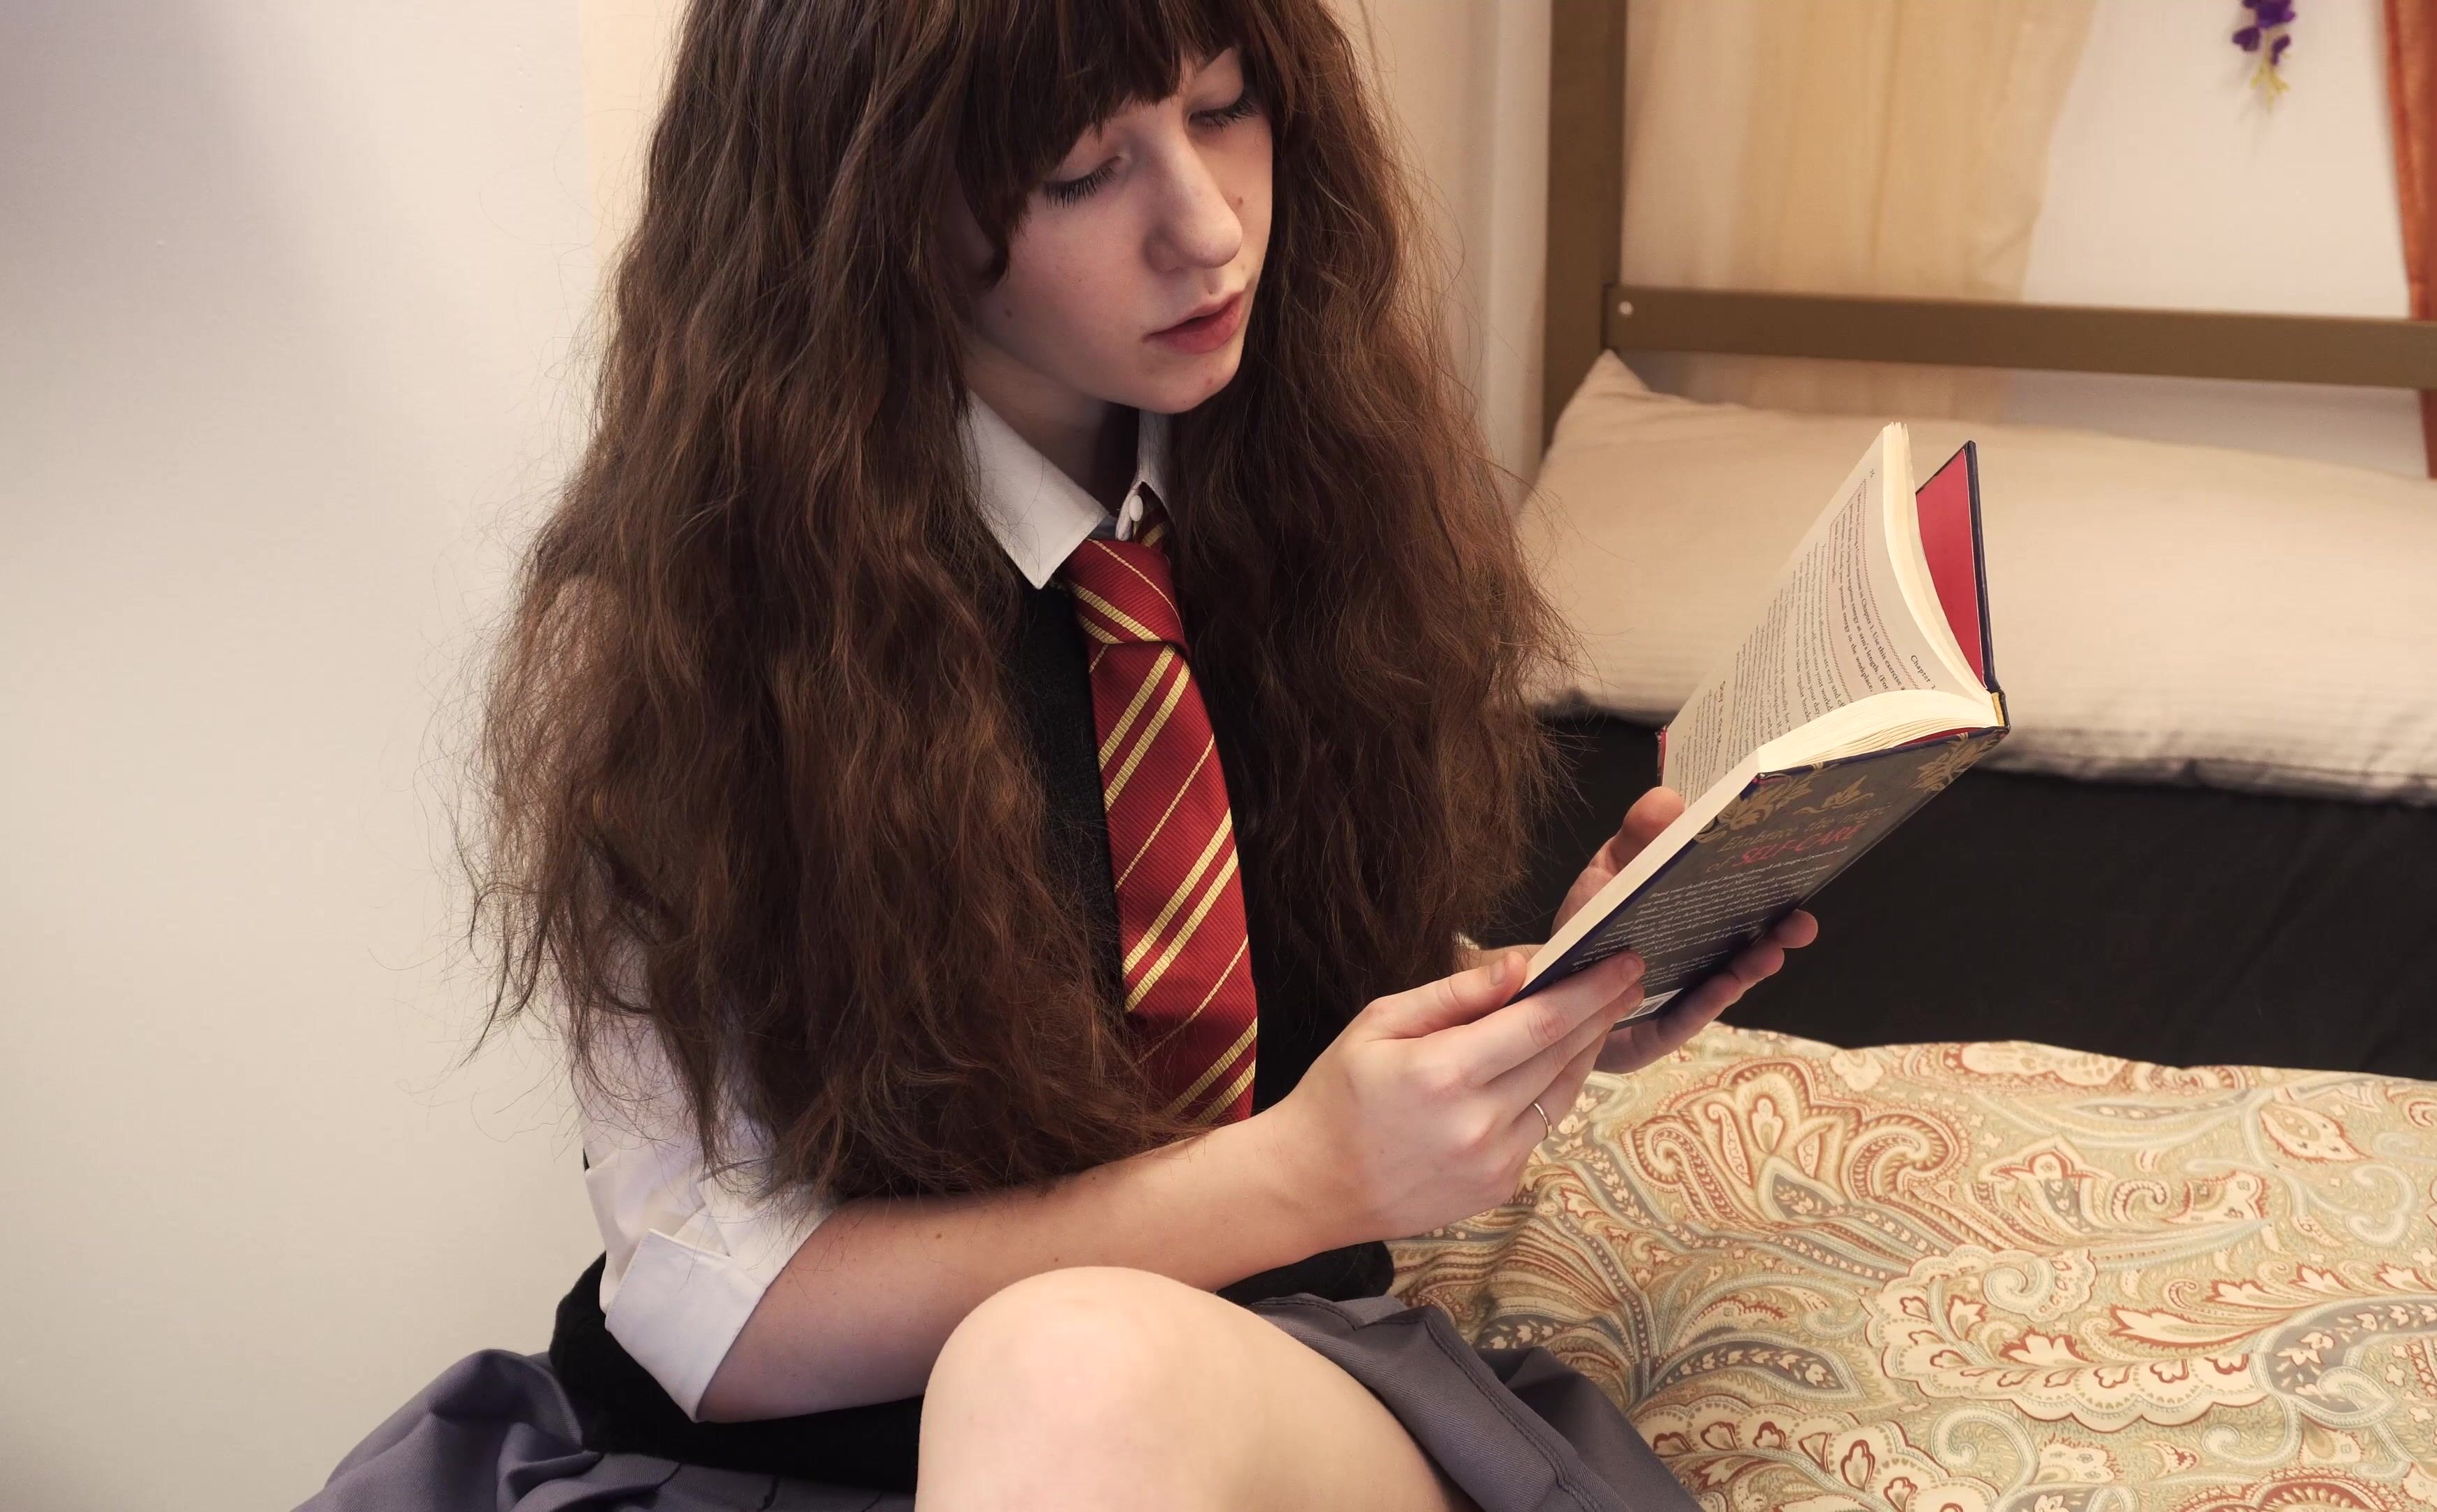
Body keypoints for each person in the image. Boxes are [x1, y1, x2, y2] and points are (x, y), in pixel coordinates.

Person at [306, 1, 1815, 1508]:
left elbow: (1268, 997)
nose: (1209, 228)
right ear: (868, 207)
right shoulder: (673, 634)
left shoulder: (1331, 509)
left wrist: (1560, 998)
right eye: (1083, 171)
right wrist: (1304, 1172)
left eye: (1223, 108)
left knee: (1069, 1370)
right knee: (1054, 1365)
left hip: (1249, 1400)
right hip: (786, 1459)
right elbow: (717, 1312)